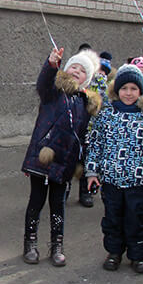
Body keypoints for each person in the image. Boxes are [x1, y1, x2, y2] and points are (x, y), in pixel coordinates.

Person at [85, 63, 143, 273]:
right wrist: (91, 172)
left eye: (134, 89)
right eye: (124, 88)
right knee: (112, 219)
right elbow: (95, 144)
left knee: (136, 219)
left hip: (137, 181)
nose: (128, 93)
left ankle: (138, 256)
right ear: (116, 90)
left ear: (141, 91)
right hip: (110, 180)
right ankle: (114, 252)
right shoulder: (106, 116)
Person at [22, 47, 101, 267]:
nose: (77, 71)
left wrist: (81, 163)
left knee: (58, 205)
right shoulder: (53, 92)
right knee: (36, 201)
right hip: (42, 157)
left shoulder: (85, 103)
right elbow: (43, 83)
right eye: (73, 67)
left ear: (87, 79)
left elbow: (83, 136)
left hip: (65, 162)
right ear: (65, 69)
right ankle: (30, 242)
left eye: (82, 71)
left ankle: (57, 245)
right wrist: (51, 64)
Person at [78, 49, 113, 207]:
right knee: (79, 161)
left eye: (104, 71)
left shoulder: (107, 88)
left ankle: (88, 191)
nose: (100, 74)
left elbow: (107, 106)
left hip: (98, 131)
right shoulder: (85, 85)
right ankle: (71, 190)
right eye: (98, 70)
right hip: (83, 128)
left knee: (92, 163)